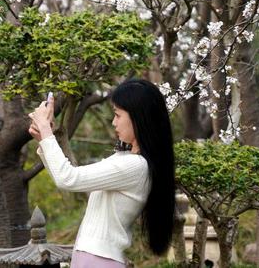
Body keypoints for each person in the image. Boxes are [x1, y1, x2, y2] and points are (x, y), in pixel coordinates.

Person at [28, 78, 175, 268]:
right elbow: (67, 176)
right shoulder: (125, 158)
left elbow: (68, 178)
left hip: (98, 260)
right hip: (93, 258)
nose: (114, 122)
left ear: (139, 118)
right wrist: (43, 139)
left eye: (118, 115)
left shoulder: (135, 166)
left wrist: (47, 132)